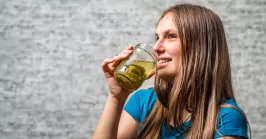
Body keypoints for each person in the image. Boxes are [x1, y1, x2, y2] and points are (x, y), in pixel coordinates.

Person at [93, 3, 250, 139]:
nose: (156, 48)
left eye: (171, 36)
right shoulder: (144, 102)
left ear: (200, 48)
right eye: (157, 38)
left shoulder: (226, 119)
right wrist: (116, 97)